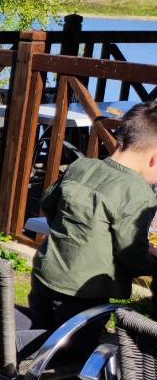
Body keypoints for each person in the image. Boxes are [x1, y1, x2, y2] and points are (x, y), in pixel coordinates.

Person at [33, 99, 157, 327]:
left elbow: (49, 204)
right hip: (85, 293)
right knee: (76, 346)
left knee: (42, 332)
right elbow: (133, 256)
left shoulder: (81, 167)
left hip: (46, 275)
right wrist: (152, 261)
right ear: (154, 158)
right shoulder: (139, 194)